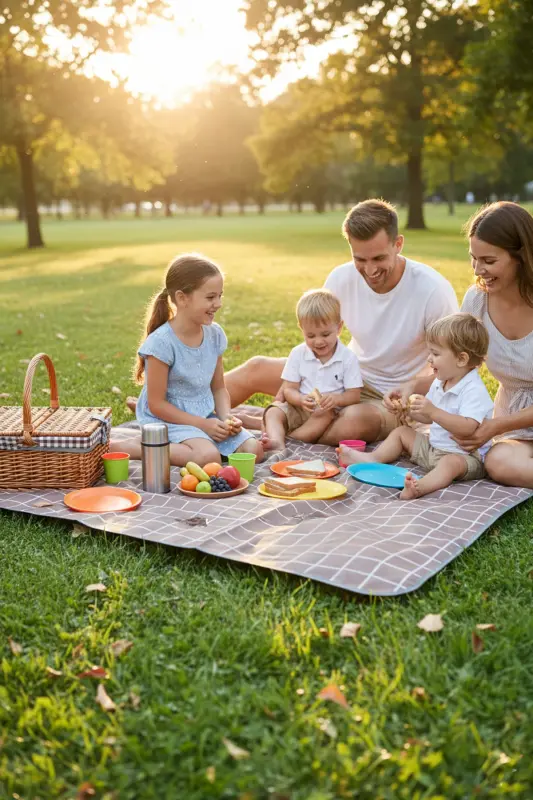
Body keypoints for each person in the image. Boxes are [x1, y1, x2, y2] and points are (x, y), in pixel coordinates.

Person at [221, 199, 459, 444]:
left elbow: (457, 370)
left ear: (398, 244)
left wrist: (413, 387)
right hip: (342, 375)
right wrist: (291, 378)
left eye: (378, 258)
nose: (370, 270)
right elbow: (318, 332)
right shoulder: (341, 278)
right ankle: (199, 420)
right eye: (360, 259)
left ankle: (272, 428)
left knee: (353, 422)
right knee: (257, 368)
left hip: (391, 397)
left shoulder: (433, 291)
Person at [386, 201, 533, 489]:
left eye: (488, 261)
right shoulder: (477, 300)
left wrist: (496, 426)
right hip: (515, 426)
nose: (478, 269)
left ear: (521, 257)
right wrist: (411, 387)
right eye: (473, 258)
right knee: (498, 463)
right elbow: (457, 367)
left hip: (505, 424)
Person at [113, 253, 263, 467]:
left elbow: (219, 388)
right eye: (210, 297)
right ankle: (131, 447)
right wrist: (202, 425)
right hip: (167, 419)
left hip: (203, 416)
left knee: (253, 450)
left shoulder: (215, 335)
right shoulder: (161, 343)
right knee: (207, 457)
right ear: (182, 298)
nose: (218, 303)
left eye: (220, 296)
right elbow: (156, 405)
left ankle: (201, 441)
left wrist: (226, 418)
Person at [340, 313, 493, 499]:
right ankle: (372, 459)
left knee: (450, 464)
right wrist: (407, 410)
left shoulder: (473, 389)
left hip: (464, 457)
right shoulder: (440, 381)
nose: (429, 359)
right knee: (401, 433)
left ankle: (419, 487)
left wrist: (433, 411)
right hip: (433, 449)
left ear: (461, 359)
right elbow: (427, 418)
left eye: (436, 354)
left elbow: (468, 428)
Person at [261, 289, 363, 450]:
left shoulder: (348, 358)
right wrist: (300, 399)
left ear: (339, 327)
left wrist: (336, 399)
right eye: (311, 336)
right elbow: (289, 390)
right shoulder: (298, 353)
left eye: (325, 334)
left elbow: (354, 395)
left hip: (326, 413)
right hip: (299, 408)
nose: (318, 341)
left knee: (324, 415)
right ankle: (276, 440)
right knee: (273, 412)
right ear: (301, 329)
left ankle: (291, 441)